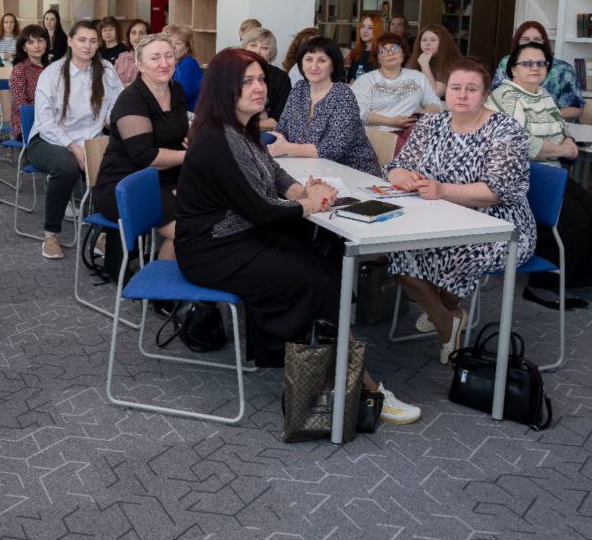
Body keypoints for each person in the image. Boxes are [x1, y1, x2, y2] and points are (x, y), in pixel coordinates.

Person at [174, 49, 420, 423]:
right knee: (316, 278)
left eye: (260, 80)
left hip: (242, 238)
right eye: (247, 82)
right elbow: (260, 208)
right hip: (213, 250)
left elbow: (274, 176)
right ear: (226, 89)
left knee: (323, 260)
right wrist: (312, 205)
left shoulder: (243, 128)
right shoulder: (216, 141)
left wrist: (302, 190)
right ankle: (366, 386)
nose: (259, 88)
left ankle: (326, 362)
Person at [386, 59, 537, 363]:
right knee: (393, 250)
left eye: (471, 89)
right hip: (437, 217)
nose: (462, 95)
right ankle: (447, 317)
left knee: (449, 250)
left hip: (500, 226)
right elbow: (394, 167)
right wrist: (404, 177)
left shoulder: (506, 130)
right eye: (455, 88)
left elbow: (496, 192)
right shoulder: (432, 124)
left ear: (485, 94)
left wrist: (442, 190)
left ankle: (444, 315)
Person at [487, 41, 592, 307]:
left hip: (551, 170)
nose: (535, 68)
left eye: (541, 63)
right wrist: (561, 150)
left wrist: (568, 141)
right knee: (573, 221)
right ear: (513, 69)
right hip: (524, 174)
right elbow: (520, 143)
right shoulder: (508, 96)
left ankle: (574, 279)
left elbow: (560, 125)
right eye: (527, 63)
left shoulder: (543, 94)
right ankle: (542, 284)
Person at [28, 20, 123, 260]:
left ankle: (104, 233)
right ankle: (51, 234)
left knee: (115, 164)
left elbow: (117, 107)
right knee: (66, 166)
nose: (88, 46)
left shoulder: (106, 70)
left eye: (93, 41)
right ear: (70, 41)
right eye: (82, 40)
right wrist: (74, 148)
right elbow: (46, 121)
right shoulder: (53, 72)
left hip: (91, 138)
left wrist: (117, 124)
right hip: (49, 139)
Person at [92, 34, 187, 260]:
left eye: (168, 56)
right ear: (140, 64)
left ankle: (166, 278)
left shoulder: (177, 90)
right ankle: (160, 289)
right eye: (155, 58)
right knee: (189, 230)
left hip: (166, 178)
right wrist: (190, 155)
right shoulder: (131, 100)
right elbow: (145, 157)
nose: (164, 63)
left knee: (210, 213)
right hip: (126, 184)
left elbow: (177, 131)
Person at [269, 36, 381, 177]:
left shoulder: (343, 94)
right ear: (301, 64)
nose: (314, 66)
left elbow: (335, 149)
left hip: (352, 173)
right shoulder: (300, 88)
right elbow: (282, 129)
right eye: (308, 59)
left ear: (333, 66)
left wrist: (287, 148)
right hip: (310, 168)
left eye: (322, 60)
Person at [491, 21, 584, 120]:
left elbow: (577, 109)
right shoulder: (506, 63)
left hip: (555, 127)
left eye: (537, 39)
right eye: (525, 39)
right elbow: (495, 99)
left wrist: (543, 117)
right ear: (517, 42)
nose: (531, 43)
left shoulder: (563, 69)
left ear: (544, 42)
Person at [351, 32, 441, 133]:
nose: (390, 53)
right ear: (377, 58)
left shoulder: (417, 76)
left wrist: (424, 114)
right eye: (383, 50)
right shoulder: (365, 80)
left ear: (403, 53)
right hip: (379, 136)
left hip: (414, 134)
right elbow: (358, 113)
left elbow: (435, 103)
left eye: (395, 48)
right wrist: (390, 122)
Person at [241, 27, 290, 129]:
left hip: (264, 133)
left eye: (264, 48)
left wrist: (247, 125)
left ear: (270, 53)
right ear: (244, 48)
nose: (258, 51)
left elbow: (279, 119)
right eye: (253, 45)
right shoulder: (231, 72)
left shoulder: (280, 78)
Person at [8, 24, 48, 140]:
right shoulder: (19, 70)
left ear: (46, 43)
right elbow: (22, 106)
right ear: (24, 47)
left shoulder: (52, 68)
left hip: (50, 119)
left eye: (40, 41)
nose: (36, 46)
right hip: (27, 123)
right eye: (30, 42)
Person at [409, 23, 462, 99]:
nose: (427, 43)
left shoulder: (451, 63)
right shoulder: (417, 58)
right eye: (424, 40)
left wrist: (424, 65)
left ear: (443, 43)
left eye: (433, 40)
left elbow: (434, 94)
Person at [167, 24, 204, 112]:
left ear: (187, 48)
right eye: (170, 42)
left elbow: (177, 100)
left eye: (178, 43)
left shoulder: (188, 65)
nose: (173, 47)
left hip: (191, 117)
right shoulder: (175, 64)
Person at [346, 14, 383, 82]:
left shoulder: (382, 53)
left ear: (377, 30)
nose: (365, 31)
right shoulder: (357, 52)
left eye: (370, 28)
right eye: (363, 26)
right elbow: (350, 78)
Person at [114, 18, 150, 86]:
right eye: (133, 33)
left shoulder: (153, 59)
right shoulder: (122, 57)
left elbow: (148, 85)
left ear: (148, 36)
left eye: (141, 33)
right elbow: (112, 82)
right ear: (129, 36)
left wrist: (122, 85)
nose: (137, 37)